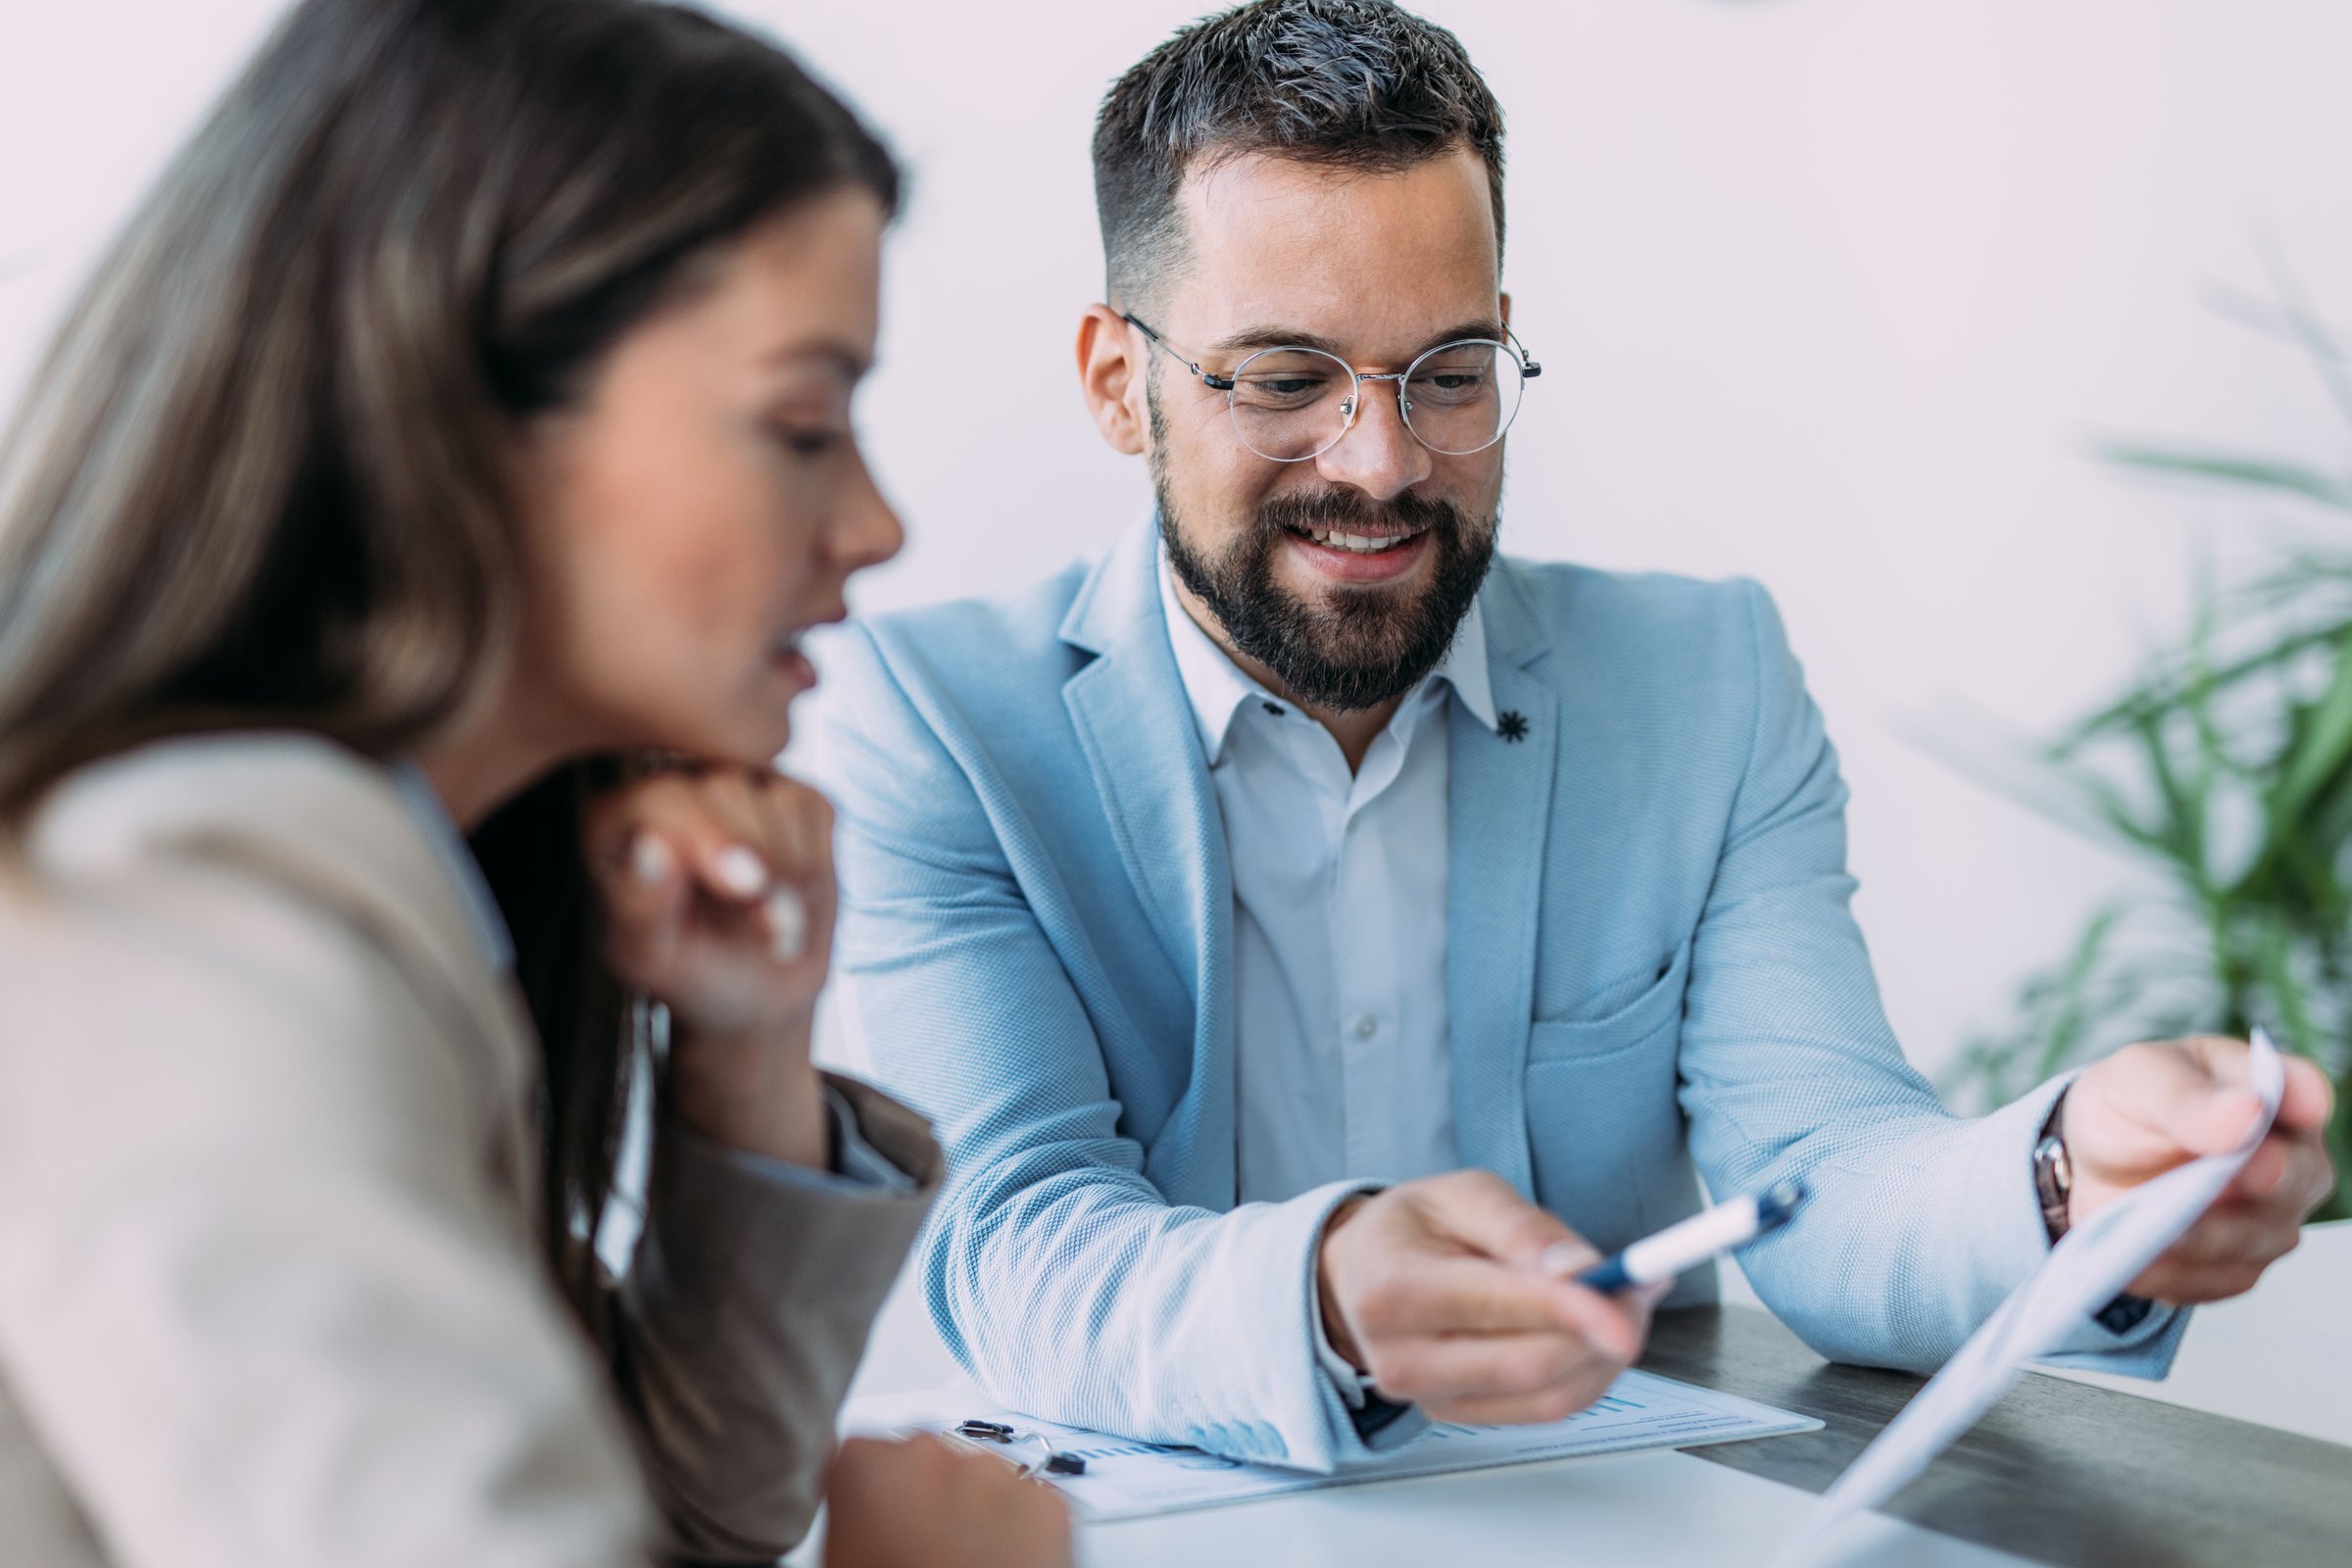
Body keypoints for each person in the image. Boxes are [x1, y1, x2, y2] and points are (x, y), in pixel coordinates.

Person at [814, 0, 2337, 1473]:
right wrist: (1329, 1296)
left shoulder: (1705, 684)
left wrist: (2073, 1178)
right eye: (1287, 381)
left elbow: (1830, 1175)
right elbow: (1017, 1236)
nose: (1383, 463)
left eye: (1450, 375)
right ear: (1116, 383)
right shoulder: (941, 723)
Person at [0, 2, 1070, 1565]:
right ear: (460, 409)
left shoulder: (426, 885)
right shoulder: (184, 931)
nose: (877, 524)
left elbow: (684, 1520)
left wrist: (747, 1061)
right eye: (801, 424)